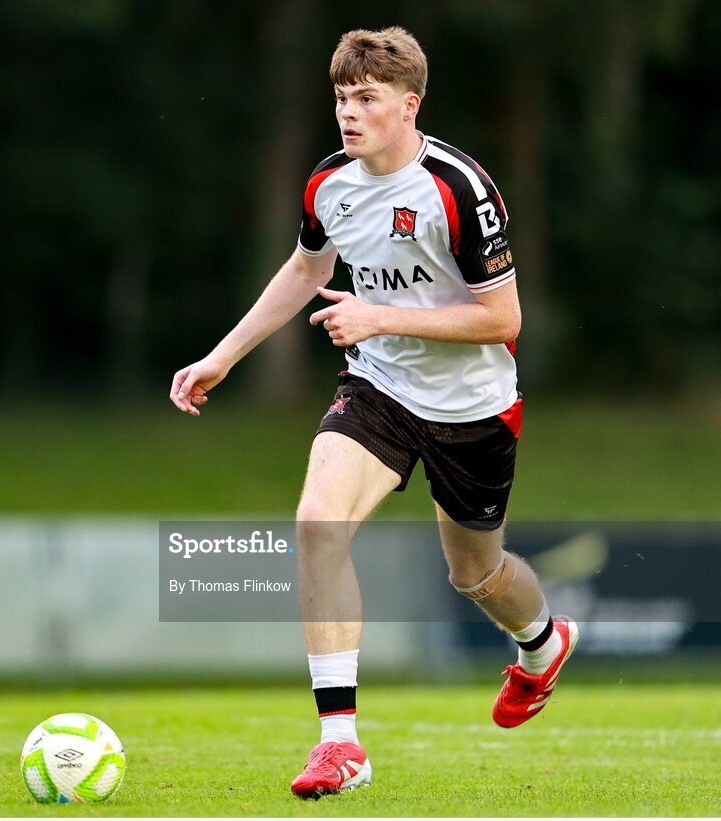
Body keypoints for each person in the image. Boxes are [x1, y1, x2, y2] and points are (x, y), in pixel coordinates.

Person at [168, 27, 578, 800]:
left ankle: (542, 643)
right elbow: (305, 269)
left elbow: (505, 320)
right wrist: (224, 354)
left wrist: (382, 316)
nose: (347, 114)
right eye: (339, 98)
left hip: (473, 406)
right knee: (317, 519)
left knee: (476, 574)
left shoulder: (458, 187)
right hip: (378, 387)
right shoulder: (330, 184)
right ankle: (340, 743)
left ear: (408, 105)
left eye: (366, 100)